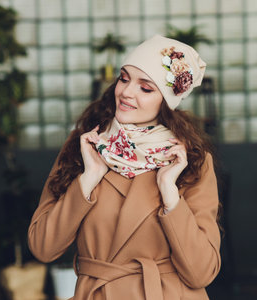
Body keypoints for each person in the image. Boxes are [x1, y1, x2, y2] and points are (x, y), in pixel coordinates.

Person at [28, 34, 221, 300]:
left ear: (166, 101)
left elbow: (201, 272)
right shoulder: (84, 146)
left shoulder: (190, 161)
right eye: (124, 78)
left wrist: (169, 193)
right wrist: (89, 178)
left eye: (146, 88)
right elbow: (43, 247)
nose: (126, 92)